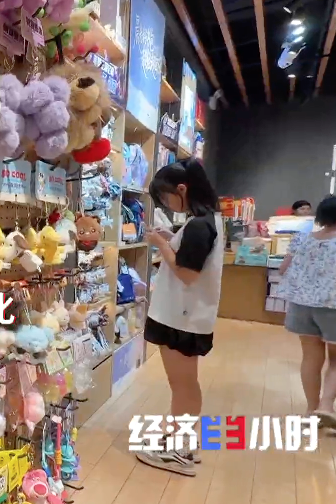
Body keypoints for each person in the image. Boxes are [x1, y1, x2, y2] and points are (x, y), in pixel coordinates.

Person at [137, 159, 225, 477]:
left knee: (182, 385)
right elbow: (190, 255)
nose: (166, 204)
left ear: (182, 189)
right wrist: (172, 236)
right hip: (187, 316)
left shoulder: (200, 225)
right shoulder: (206, 220)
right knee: (186, 384)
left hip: (181, 318)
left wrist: (161, 243)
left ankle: (179, 451)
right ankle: (183, 440)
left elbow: (187, 273)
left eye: (166, 197)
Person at [278, 195, 336, 428]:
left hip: (301, 305)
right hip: (332, 306)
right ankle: (326, 406)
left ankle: (311, 411)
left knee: (310, 358)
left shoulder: (302, 238)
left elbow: (283, 269)